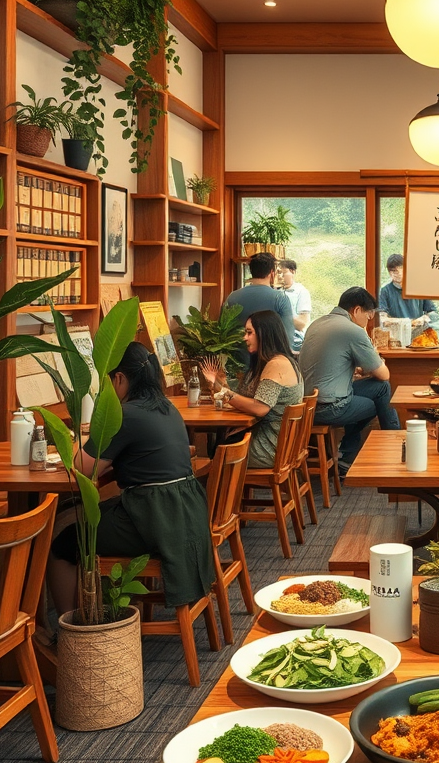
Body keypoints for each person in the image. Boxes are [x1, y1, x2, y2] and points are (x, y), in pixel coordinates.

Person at [46, 343, 214, 616]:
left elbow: (82, 467)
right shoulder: (166, 407)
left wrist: (73, 440)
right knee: (96, 514)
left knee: (64, 544)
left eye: (109, 381)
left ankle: (68, 628)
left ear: (120, 378)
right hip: (183, 515)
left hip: (155, 520)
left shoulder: (125, 415)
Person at [298, 286, 401, 473]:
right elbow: (384, 374)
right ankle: (395, 448)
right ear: (356, 310)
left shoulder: (317, 323)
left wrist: (360, 370)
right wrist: (372, 369)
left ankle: (347, 456)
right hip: (328, 408)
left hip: (306, 404)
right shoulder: (352, 330)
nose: (367, 323)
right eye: (368, 317)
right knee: (381, 392)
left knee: (376, 391)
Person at [200, 310, 303, 469]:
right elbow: (247, 394)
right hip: (278, 444)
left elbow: (260, 407)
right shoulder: (278, 360)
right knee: (221, 444)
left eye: (249, 333)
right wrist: (221, 384)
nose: (245, 338)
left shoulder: (276, 364)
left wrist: (225, 393)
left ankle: (216, 491)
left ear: (264, 334)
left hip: (269, 449)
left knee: (220, 451)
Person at [224, 252, 294, 372]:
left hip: (237, 367)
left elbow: (223, 332)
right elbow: (287, 340)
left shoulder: (232, 297)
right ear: (272, 273)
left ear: (252, 272)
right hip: (268, 368)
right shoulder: (280, 299)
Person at [378, 253, 438, 335]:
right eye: (394, 271)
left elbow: (433, 313)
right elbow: (383, 320)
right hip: (397, 338)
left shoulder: (419, 288)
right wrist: (409, 322)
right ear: (389, 272)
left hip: (419, 337)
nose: (398, 273)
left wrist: (425, 318)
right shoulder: (385, 291)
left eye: (401, 269)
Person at [277, 258, 312, 351]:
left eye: (283, 273)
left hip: (294, 340)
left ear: (293, 271)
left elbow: (302, 324)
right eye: (278, 273)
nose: (280, 276)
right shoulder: (275, 292)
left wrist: (279, 315)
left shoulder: (301, 292)